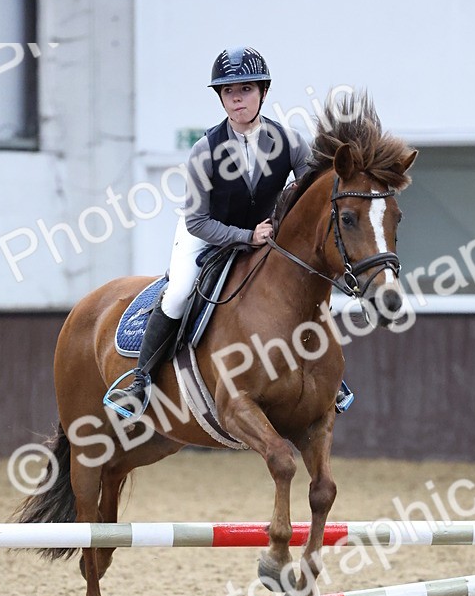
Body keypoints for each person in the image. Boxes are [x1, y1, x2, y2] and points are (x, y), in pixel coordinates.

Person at [107, 46, 353, 417]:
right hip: (206, 231)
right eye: (229, 92)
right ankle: (141, 381)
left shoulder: (288, 142)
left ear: (263, 93)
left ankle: (327, 374)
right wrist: (245, 237)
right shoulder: (205, 150)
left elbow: (311, 196)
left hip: (266, 234)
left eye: (246, 90)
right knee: (177, 294)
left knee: (303, 283)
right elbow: (197, 221)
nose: (237, 99)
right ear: (221, 98)